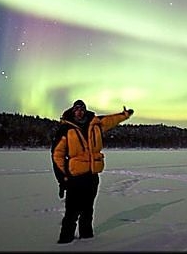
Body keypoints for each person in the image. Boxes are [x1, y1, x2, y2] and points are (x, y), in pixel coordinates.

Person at [51, 99, 134, 244]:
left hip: (92, 175)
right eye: (77, 109)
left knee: (88, 209)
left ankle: (87, 237)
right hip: (75, 177)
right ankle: (65, 240)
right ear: (73, 111)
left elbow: (111, 120)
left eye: (82, 109)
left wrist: (124, 115)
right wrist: (63, 177)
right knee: (72, 211)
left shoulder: (95, 123)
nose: (79, 112)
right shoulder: (65, 129)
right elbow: (57, 154)